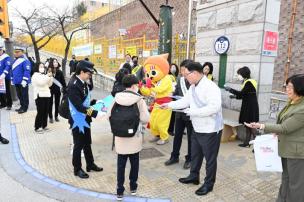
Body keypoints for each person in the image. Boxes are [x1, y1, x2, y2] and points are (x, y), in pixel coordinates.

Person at [161, 61, 223, 196]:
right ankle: (194, 176)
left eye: (186, 74)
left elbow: (214, 107)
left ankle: (208, 184)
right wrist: (169, 105)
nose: (185, 77)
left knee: (210, 159)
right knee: (195, 154)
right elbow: (185, 101)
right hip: (197, 127)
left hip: (210, 129)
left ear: (195, 73)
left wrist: (194, 112)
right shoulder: (194, 86)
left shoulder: (211, 87)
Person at [245, 74, 304, 202]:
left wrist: (261, 125)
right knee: (286, 179)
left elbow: (285, 128)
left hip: (297, 153)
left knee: (296, 184)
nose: (286, 89)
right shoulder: (293, 102)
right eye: (286, 86)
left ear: (299, 88)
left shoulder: (302, 108)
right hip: (287, 149)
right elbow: (283, 124)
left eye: (290, 87)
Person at [107, 74, 149, 201]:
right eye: (137, 85)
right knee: (134, 164)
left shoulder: (116, 98)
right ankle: (133, 187)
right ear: (133, 86)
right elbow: (145, 118)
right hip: (134, 137)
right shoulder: (139, 100)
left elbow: (109, 115)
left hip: (120, 137)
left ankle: (119, 190)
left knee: (121, 165)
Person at [67, 60, 103, 179]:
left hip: (85, 118)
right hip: (78, 119)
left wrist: (95, 102)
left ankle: (90, 164)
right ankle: (77, 169)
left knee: (87, 142)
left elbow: (85, 101)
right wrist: (96, 113)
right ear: (81, 72)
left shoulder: (83, 82)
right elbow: (79, 106)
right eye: (89, 73)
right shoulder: (73, 85)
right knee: (78, 144)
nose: (90, 76)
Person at [164, 60, 193, 169]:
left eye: (183, 69)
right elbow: (176, 93)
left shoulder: (194, 81)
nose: (181, 71)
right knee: (177, 136)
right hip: (179, 114)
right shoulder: (179, 79)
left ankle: (190, 159)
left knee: (191, 138)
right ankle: (174, 156)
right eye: (181, 69)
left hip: (190, 114)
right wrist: (173, 96)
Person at [224, 66, 259, 147]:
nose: (238, 76)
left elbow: (241, 94)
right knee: (248, 125)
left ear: (243, 74)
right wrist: (235, 96)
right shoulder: (247, 82)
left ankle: (258, 144)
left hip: (250, 107)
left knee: (251, 125)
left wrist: (230, 89)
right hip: (249, 105)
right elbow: (244, 95)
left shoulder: (249, 82)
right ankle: (247, 143)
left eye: (239, 74)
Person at [32, 63, 53, 133]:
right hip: (39, 96)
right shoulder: (35, 75)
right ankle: (37, 127)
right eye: (40, 67)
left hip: (46, 95)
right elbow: (41, 83)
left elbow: (49, 84)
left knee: (46, 111)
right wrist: (47, 76)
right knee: (40, 112)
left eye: (43, 67)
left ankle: (44, 125)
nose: (42, 68)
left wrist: (50, 77)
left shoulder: (44, 75)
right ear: (37, 67)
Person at [11, 47, 31, 114]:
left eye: (18, 52)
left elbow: (27, 70)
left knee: (24, 95)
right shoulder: (14, 61)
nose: (16, 53)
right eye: (15, 52)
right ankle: (22, 106)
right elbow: (12, 70)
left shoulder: (25, 60)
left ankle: (25, 108)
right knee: (19, 95)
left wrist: (25, 80)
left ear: (22, 52)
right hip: (16, 81)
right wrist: (12, 79)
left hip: (23, 82)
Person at [48, 58, 66, 123]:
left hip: (57, 91)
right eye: (54, 62)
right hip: (49, 90)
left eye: (56, 62)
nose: (55, 63)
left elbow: (63, 82)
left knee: (57, 104)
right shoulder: (48, 71)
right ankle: (50, 117)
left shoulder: (60, 72)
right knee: (50, 104)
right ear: (51, 63)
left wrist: (65, 89)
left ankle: (56, 116)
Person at [168, 63, 179, 135]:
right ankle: (170, 130)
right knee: (171, 114)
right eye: (172, 67)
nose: (173, 68)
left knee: (175, 114)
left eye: (174, 67)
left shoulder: (177, 76)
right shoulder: (169, 76)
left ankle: (173, 129)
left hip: (176, 96)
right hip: (170, 96)